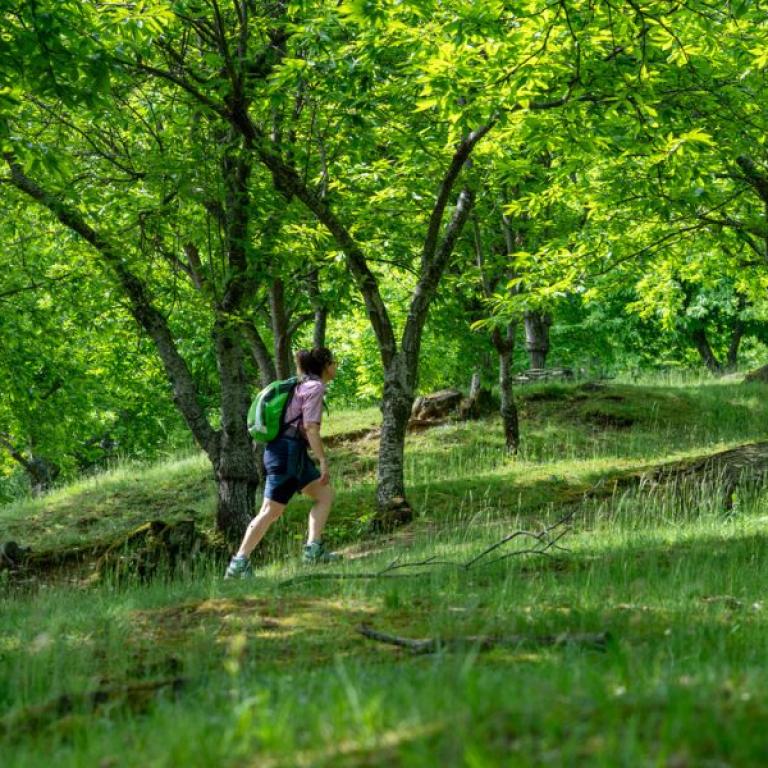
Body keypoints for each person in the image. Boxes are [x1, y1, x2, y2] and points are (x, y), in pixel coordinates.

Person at [225, 347, 339, 578]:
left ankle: (313, 549)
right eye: (334, 362)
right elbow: (310, 427)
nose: (336, 366)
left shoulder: (300, 385)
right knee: (271, 510)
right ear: (325, 365)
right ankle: (238, 563)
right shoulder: (315, 388)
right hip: (286, 454)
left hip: (290, 452)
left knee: (324, 494)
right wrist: (323, 461)